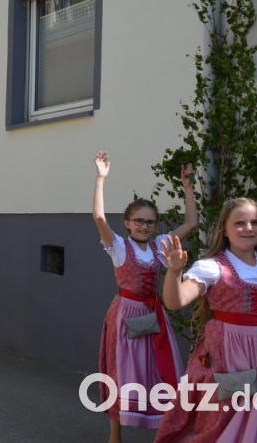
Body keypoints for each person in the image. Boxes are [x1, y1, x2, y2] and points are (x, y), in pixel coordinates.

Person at [155, 198, 257, 442]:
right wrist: (175, 271)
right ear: (225, 230)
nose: (249, 228)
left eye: (255, 222)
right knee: (222, 421)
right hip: (227, 355)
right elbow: (175, 301)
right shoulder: (212, 267)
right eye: (239, 223)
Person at [91, 152, 195, 438]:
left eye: (150, 222)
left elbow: (190, 224)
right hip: (125, 314)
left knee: (158, 370)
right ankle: (115, 433)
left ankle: (161, 428)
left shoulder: (160, 246)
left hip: (153, 315)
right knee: (120, 371)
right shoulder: (120, 248)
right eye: (138, 221)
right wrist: (101, 178)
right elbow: (99, 218)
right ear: (127, 222)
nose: (144, 226)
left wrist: (187, 187)